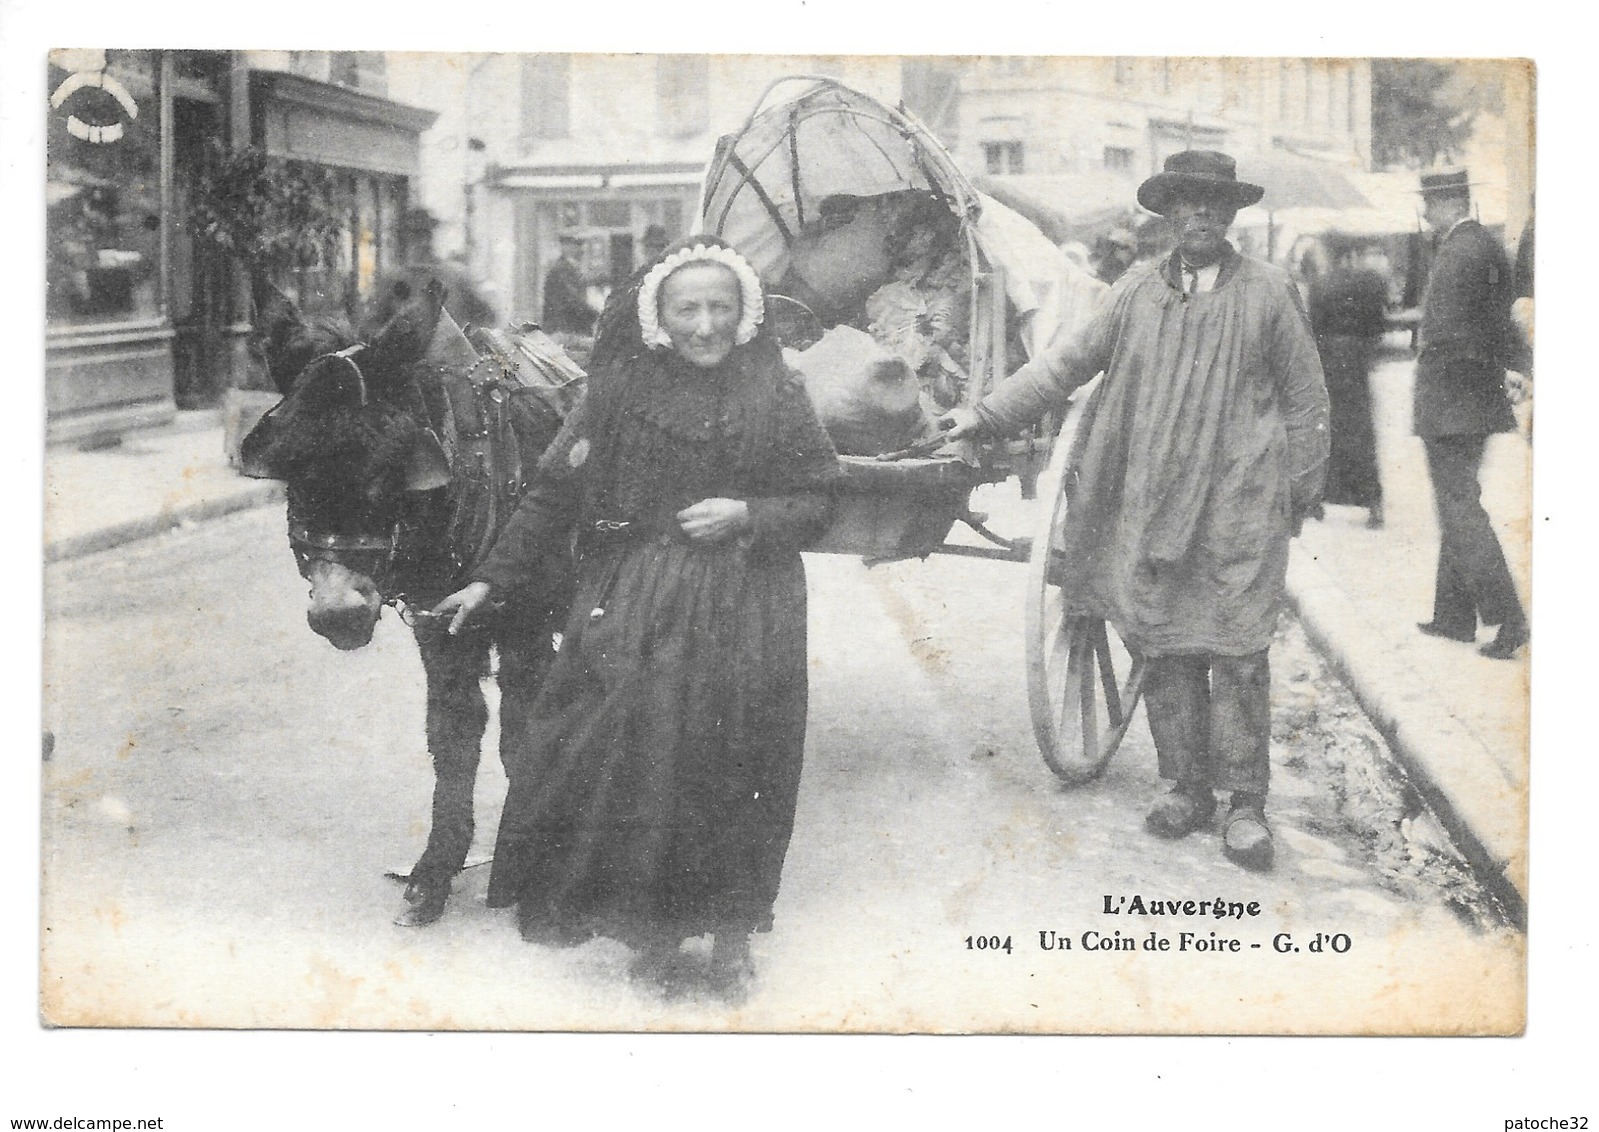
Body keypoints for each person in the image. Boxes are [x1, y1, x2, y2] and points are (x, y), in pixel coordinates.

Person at [432, 236, 841, 999]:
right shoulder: (613, 392)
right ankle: (650, 927)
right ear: (658, 314)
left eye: (721, 306)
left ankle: (728, 933)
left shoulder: (776, 389)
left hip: (750, 602)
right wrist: (489, 580)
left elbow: (819, 497)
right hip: (636, 596)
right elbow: (552, 496)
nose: (705, 324)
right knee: (634, 762)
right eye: (687, 307)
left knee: (739, 762)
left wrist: (748, 513)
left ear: (745, 313)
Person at [939, 150, 1329, 871]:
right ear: (1167, 214)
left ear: (1230, 214)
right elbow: (1064, 364)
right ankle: (1185, 787)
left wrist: (1298, 491)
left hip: (1239, 504)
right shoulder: (1134, 292)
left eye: (1212, 205)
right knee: (1165, 643)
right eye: (1184, 203)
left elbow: (1306, 400)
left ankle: (1244, 803)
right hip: (1151, 501)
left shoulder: (1269, 294)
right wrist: (985, 417)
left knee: (1238, 651)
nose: (1199, 216)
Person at [1410, 169, 1528, 659]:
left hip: (1453, 400)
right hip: (1470, 400)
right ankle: (1454, 616)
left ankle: (1511, 618)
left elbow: (1450, 333)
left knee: (1459, 508)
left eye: (1430, 205)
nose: (1426, 214)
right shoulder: (1482, 244)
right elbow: (1498, 323)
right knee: (1456, 504)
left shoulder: (1459, 251)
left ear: (1449, 203)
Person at [1307, 236, 1391, 527]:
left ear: (1330, 253)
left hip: (1329, 360)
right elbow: (1379, 325)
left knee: (1325, 429)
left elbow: (1313, 327)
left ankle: (1318, 500)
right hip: (1357, 360)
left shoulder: (1321, 285)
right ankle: (1373, 503)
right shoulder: (1371, 282)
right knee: (1361, 430)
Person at [541, 232, 598, 335]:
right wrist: (598, 315)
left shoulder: (571, 269)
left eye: (582, 245)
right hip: (563, 330)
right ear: (565, 246)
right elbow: (573, 300)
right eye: (577, 244)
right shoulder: (560, 270)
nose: (582, 249)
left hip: (571, 329)